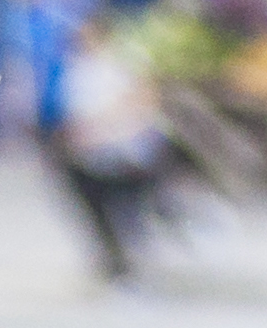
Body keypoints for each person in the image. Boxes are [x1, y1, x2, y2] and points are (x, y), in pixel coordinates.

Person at [43, 3, 172, 283]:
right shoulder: (74, 68)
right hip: (89, 153)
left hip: (127, 149)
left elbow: (141, 102)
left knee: (129, 204)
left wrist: (102, 130)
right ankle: (112, 256)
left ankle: (136, 250)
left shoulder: (124, 61)